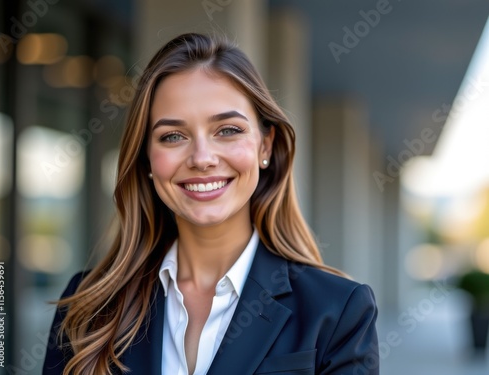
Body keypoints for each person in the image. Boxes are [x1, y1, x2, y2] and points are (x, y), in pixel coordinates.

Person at [43, 33, 379, 375]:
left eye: (228, 130)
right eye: (173, 136)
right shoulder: (89, 305)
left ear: (265, 146)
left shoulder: (337, 310)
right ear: (146, 158)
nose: (202, 158)